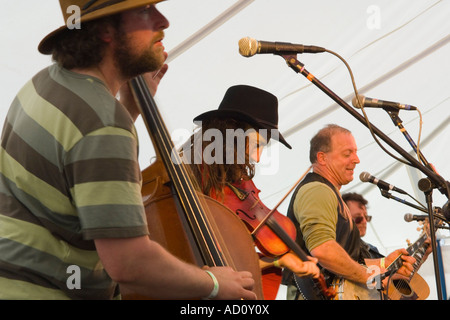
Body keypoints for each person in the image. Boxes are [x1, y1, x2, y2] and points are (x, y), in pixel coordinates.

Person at [0, 0, 256, 300]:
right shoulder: (104, 123)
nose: (163, 22)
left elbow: (77, 158)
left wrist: (130, 108)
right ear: (106, 30)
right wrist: (213, 283)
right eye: (145, 11)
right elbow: (129, 264)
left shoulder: (45, 83)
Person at [181, 84, 320, 300]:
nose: (258, 157)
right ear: (231, 133)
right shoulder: (193, 185)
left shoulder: (221, 181)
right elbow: (214, 262)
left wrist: (278, 261)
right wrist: (276, 261)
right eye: (257, 144)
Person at [282, 124, 416, 300]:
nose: (357, 159)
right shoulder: (317, 190)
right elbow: (323, 251)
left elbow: (349, 261)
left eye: (355, 152)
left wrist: (385, 262)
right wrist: (372, 278)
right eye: (347, 154)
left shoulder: (330, 193)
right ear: (322, 158)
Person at [342, 192, 384, 259]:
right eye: (359, 218)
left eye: (366, 217)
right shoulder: (334, 249)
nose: (364, 221)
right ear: (343, 219)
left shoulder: (372, 250)